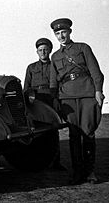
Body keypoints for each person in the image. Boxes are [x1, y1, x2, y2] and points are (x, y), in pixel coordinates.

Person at [49, 18, 104, 185]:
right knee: (74, 135)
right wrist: (55, 100)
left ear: (70, 32)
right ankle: (77, 173)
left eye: (63, 32)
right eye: (57, 33)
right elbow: (53, 82)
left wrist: (98, 91)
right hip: (67, 98)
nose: (61, 36)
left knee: (88, 133)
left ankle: (90, 171)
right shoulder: (55, 56)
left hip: (87, 94)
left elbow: (96, 71)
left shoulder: (83, 48)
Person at [24, 38, 65, 171]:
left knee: (53, 131)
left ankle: (56, 162)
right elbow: (26, 87)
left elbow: (59, 84)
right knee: (35, 131)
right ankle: (36, 162)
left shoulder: (55, 65)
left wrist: (56, 100)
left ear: (49, 51)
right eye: (40, 50)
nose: (43, 52)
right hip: (35, 101)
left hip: (50, 98)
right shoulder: (31, 67)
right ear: (37, 52)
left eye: (45, 50)